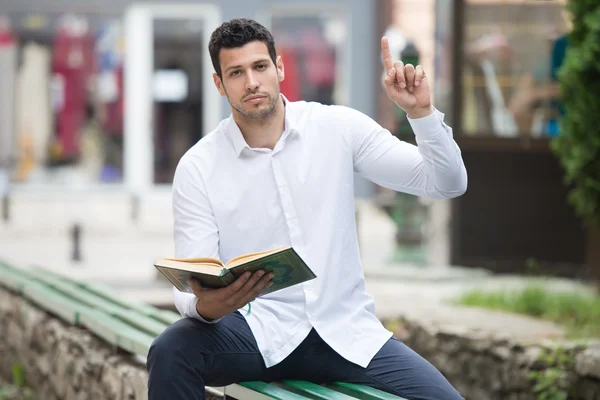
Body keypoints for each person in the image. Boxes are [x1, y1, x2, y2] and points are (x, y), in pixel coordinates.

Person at [147, 18, 467, 400]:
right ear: (219, 84)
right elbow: (191, 279)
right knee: (171, 349)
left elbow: (447, 182)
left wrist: (422, 114)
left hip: (347, 333)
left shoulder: (337, 128)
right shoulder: (199, 166)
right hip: (258, 333)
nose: (251, 82)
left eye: (260, 67)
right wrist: (207, 306)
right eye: (236, 72)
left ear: (279, 67)